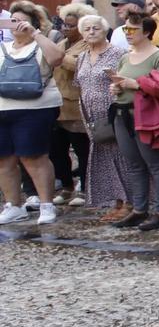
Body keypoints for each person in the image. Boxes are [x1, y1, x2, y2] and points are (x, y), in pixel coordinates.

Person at [0, 1, 68, 227]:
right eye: (14, 20)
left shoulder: (42, 44)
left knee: (33, 156)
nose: (18, 25)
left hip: (35, 108)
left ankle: (47, 204)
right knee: (4, 159)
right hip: (3, 108)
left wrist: (35, 34)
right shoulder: (3, 48)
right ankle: (13, 205)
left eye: (23, 21)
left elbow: (57, 58)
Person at [108, 15, 159, 230]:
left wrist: (134, 84)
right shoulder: (126, 57)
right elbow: (122, 80)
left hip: (146, 116)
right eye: (126, 29)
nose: (128, 33)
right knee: (134, 164)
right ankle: (139, 209)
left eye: (133, 29)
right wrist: (117, 87)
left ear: (146, 32)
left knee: (155, 163)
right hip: (122, 114)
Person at [64, 14, 128, 219]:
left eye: (96, 28)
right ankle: (115, 201)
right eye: (87, 29)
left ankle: (129, 202)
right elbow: (80, 84)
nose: (91, 32)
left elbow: (124, 80)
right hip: (90, 115)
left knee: (121, 156)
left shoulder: (118, 53)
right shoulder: (82, 56)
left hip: (111, 112)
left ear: (105, 31)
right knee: (104, 157)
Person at [51, 4, 90, 207]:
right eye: (64, 25)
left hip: (75, 106)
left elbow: (76, 65)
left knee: (81, 149)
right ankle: (67, 186)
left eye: (71, 26)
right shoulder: (62, 43)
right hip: (56, 104)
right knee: (57, 149)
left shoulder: (87, 45)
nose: (66, 29)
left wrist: (59, 57)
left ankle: (84, 187)